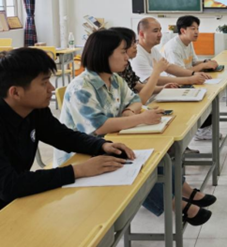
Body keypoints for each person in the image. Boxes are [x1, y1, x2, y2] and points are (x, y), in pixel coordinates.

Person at [56, 30, 215, 225]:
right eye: (123, 52)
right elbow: (99, 127)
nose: (127, 57)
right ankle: (177, 205)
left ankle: (184, 191)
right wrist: (139, 118)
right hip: (82, 155)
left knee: (157, 154)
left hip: (112, 140)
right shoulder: (82, 87)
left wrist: (130, 111)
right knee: (139, 165)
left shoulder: (115, 79)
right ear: (104, 54)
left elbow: (136, 100)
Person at [0, 48, 135, 210]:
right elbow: (9, 185)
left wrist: (101, 145)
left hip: (17, 200)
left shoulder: (34, 110)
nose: (51, 88)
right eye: (44, 83)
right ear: (15, 92)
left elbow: (62, 136)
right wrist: (78, 170)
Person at [131, 18, 217, 141]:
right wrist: (190, 79)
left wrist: (193, 74)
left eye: (160, 30)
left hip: (160, 91)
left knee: (203, 96)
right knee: (187, 106)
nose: (160, 34)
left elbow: (169, 67)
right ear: (141, 34)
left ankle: (184, 144)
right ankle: (190, 138)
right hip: (149, 99)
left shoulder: (152, 49)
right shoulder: (138, 54)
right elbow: (153, 79)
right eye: (155, 31)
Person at [112, 27, 177, 105]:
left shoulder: (126, 64)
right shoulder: (114, 73)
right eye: (131, 44)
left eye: (135, 42)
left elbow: (135, 85)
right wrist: (156, 72)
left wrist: (162, 88)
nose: (136, 46)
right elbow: (137, 101)